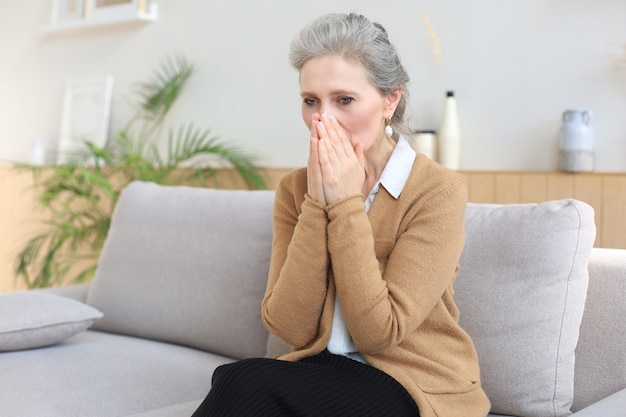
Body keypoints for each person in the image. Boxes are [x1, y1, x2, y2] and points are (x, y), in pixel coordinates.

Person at [191, 12, 490, 417]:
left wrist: (345, 204)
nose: (322, 120)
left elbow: (379, 332)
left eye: (344, 100)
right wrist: (316, 203)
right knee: (238, 382)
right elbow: (289, 327)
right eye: (310, 101)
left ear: (390, 100)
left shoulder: (436, 190)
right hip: (324, 367)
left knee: (241, 382)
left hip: (414, 382)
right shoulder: (296, 190)